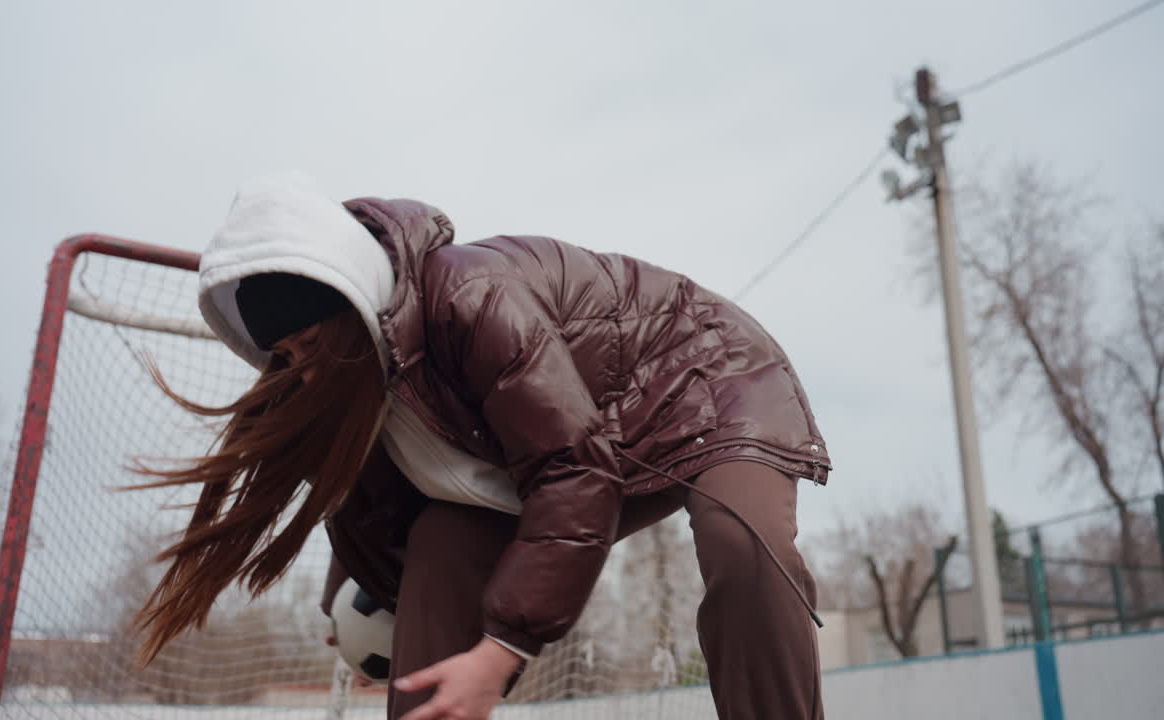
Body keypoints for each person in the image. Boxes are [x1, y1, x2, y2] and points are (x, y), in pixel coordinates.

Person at [133, 172, 833, 720]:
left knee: (740, 541)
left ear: (355, 301)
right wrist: (348, 597)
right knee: (440, 549)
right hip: (575, 442)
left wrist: (502, 651)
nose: (305, 367)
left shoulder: (468, 297)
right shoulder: (348, 384)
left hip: (704, 376)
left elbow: (572, 470)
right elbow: (369, 501)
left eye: (313, 343)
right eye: (286, 354)